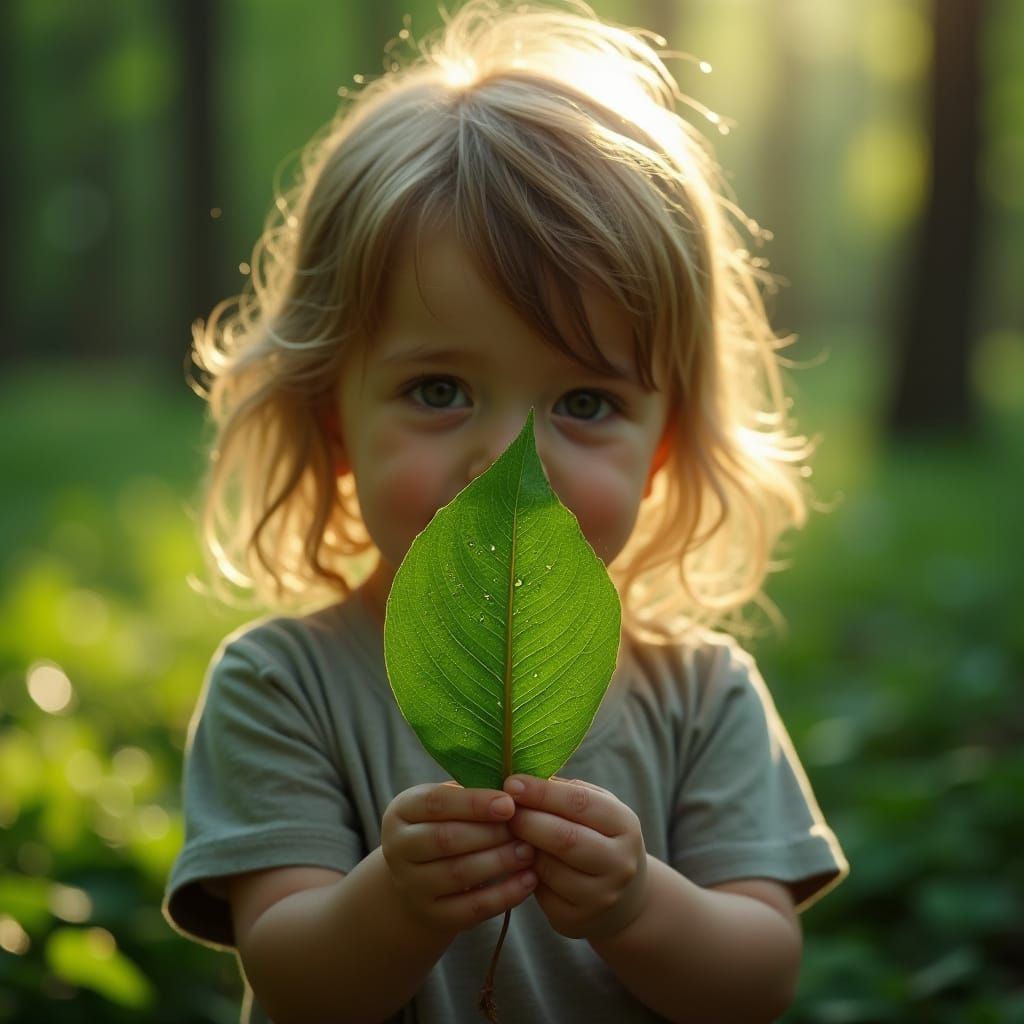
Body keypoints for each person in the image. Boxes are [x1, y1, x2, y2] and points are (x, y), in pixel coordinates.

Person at [163, 2, 847, 1021]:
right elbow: (294, 980)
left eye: (583, 402)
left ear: (662, 444)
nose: (504, 459)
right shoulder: (283, 683)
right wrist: (396, 902)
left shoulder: (701, 695)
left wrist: (633, 900)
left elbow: (755, 978)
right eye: (438, 389)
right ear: (333, 416)